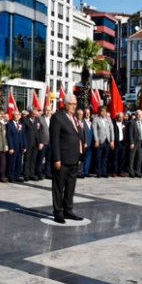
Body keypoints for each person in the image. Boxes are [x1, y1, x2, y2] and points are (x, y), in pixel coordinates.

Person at [50, 94, 83, 224]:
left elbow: (78, 136)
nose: (74, 106)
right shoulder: (57, 117)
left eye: (75, 104)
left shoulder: (73, 118)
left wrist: (81, 155)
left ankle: (68, 210)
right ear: (65, 104)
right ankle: (58, 212)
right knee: (59, 187)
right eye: (72, 104)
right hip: (62, 159)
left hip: (74, 158)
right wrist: (57, 159)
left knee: (70, 186)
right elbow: (55, 140)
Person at [92, 106, 114, 178]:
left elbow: (111, 130)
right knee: (98, 157)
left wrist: (112, 140)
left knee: (105, 158)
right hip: (100, 141)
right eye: (102, 111)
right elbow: (94, 130)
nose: (103, 112)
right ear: (99, 111)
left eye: (105, 111)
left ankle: (104, 172)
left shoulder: (108, 119)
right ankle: (98, 172)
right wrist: (96, 140)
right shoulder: (96, 119)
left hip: (107, 141)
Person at [6, 109, 27, 182]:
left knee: (19, 161)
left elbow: (23, 135)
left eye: (19, 115)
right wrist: (11, 147)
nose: (18, 116)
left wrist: (24, 146)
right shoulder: (9, 124)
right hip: (13, 146)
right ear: (12, 115)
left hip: (20, 146)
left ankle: (17, 175)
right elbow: (9, 136)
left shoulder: (21, 124)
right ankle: (10, 176)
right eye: (16, 114)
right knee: (12, 162)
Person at [21, 107, 41, 181]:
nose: (33, 115)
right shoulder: (24, 120)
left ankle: (31, 174)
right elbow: (23, 133)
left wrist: (40, 142)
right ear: (29, 113)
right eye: (32, 113)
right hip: (28, 142)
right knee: (27, 159)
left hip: (36, 142)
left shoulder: (37, 119)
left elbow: (39, 131)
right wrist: (24, 144)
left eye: (35, 114)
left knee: (33, 159)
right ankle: (26, 174)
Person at [126, 110, 142, 178]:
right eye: (138, 114)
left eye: (141, 114)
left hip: (141, 142)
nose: (139, 116)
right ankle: (131, 171)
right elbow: (129, 133)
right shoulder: (132, 122)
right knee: (131, 158)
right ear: (136, 115)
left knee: (139, 158)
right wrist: (131, 142)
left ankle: (137, 171)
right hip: (134, 142)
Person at [36, 105, 52, 180]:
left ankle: (47, 173)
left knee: (48, 159)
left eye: (49, 110)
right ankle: (39, 173)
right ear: (43, 110)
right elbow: (38, 131)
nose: (48, 112)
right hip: (43, 142)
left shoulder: (53, 119)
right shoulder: (40, 118)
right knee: (40, 158)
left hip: (51, 142)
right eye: (46, 110)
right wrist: (40, 142)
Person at [111, 112, 127, 177]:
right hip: (116, 142)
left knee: (122, 158)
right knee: (115, 157)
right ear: (116, 117)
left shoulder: (125, 123)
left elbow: (127, 132)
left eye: (122, 117)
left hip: (123, 142)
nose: (121, 119)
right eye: (119, 117)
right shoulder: (113, 123)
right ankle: (114, 171)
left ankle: (121, 171)